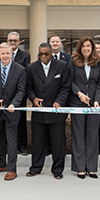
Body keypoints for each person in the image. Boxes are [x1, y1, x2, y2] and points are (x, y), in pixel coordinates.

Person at [25, 43, 70, 179]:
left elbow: (65, 87)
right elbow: (28, 88)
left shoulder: (62, 66)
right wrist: (33, 99)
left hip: (56, 112)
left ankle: (57, 170)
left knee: (58, 143)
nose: (43, 57)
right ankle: (35, 168)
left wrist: (59, 101)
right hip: (39, 111)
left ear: (52, 53)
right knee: (38, 142)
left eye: (46, 54)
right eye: (41, 54)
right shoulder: (31, 68)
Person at [0, 43, 26, 181]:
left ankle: (12, 169)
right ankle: (1, 164)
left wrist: (14, 104)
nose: (5, 56)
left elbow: (21, 90)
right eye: (2, 53)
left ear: (11, 53)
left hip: (11, 111)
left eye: (7, 53)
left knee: (12, 140)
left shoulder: (20, 69)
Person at [68, 36, 100, 179]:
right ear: (80, 47)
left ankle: (91, 167)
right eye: (83, 46)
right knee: (78, 135)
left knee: (92, 135)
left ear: (92, 48)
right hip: (77, 102)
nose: (86, 48)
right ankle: (79, 168)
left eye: (88, 46)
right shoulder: (73, 61)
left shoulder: (99, 62)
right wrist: (79, 94)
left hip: (94, 104)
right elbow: (70, 80)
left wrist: (97, 100)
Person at [0, 31, 30, 155]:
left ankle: (22, 146)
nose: (12, 42)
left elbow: (25, 74)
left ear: (19, 41)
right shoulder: (2, 54)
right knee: (5, 121)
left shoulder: (25, 56)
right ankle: (8, 145)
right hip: (4, 96)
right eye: (10, 40)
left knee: (21, 122)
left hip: (18, 95)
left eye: (15, 40)